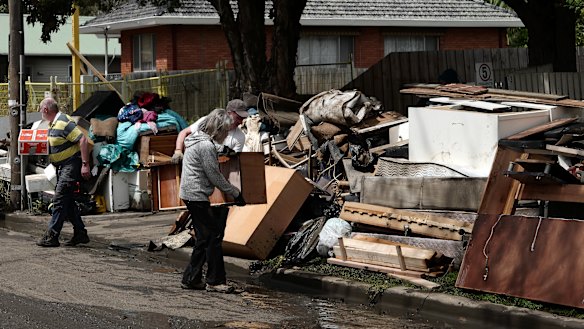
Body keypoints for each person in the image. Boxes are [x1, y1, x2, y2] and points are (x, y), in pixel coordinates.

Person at [179, 108, 245, 293]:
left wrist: (225, 150)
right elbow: (214, 175)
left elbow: (212, 148)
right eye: (225, 131)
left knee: (204, 237)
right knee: (213, 235)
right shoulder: (206, 146)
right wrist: (235, 192)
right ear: (218, 130)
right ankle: (215, 281)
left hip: (190, 193)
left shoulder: (198, 138)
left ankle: (191, 278)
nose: (226, 134)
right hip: (196, 194)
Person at [36, 97, 92, 247]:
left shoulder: (63, 122)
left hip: (71, 165)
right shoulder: (53, 124)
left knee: (59, 200)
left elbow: (83, 140)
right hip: (63, 167)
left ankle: (52, 236)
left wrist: (85, 165)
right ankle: (80, 233)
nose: (40, 112)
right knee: (67, 201)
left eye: (41, 109)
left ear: (46, 110)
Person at [171, 99, 248, 163]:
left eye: (243, 119)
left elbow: (232, 161)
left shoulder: (240, 136)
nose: (241, 122)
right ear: (229, 113)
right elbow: (184, 132)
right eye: (238, 118)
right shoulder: (208, 122)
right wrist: (178, 151)